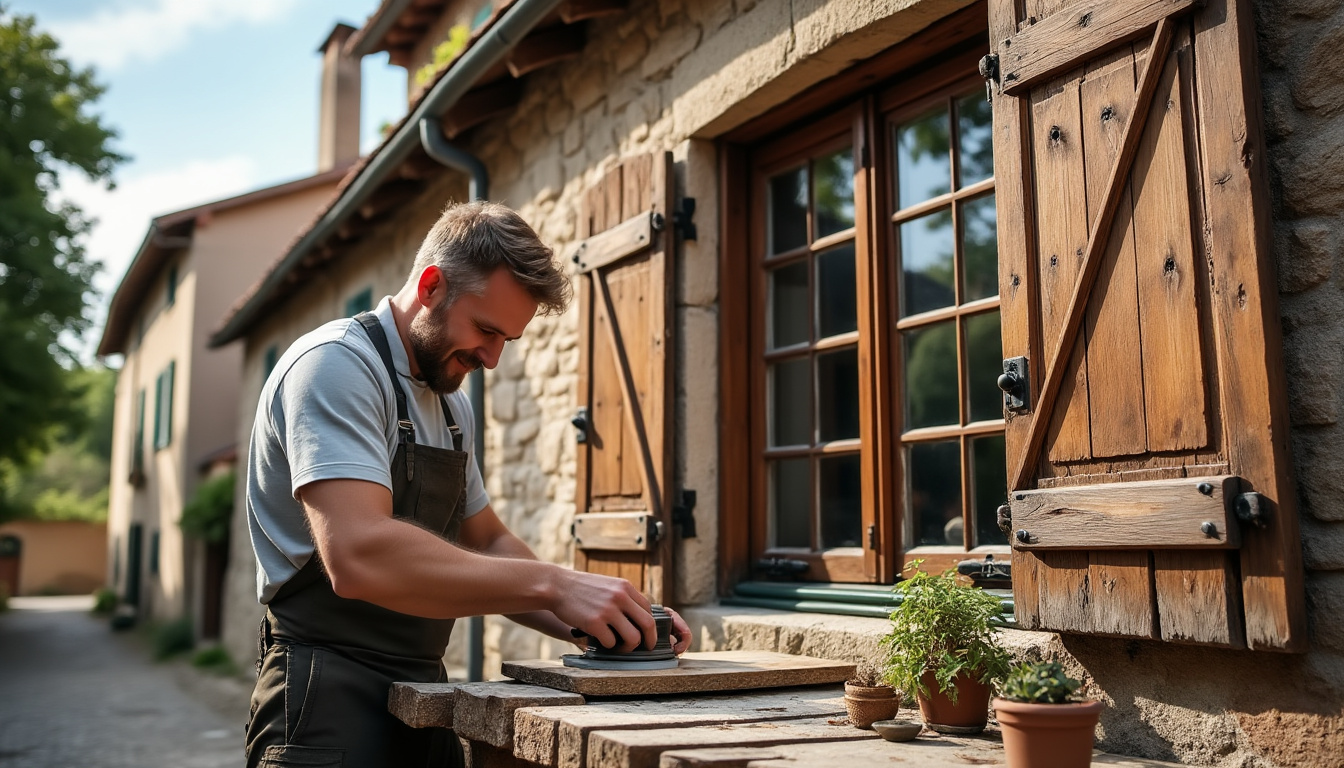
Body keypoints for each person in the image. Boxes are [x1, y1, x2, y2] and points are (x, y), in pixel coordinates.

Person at [243, 201, 691, 768]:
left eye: (508, 339)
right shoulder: (335, 366)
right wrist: (554, 585)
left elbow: (488, 543)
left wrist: (601, 619)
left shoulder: (451, 403)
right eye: (485, 329)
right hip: (324, 697)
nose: (493, 357)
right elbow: (357, 555)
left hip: (425, 696)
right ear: (431, 286)